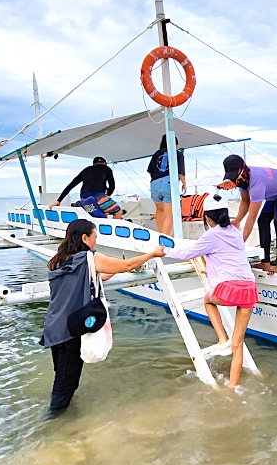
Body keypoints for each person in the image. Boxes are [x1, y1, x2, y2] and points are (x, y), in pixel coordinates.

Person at [43, 218, 164, 411]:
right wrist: (152, 254)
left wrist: (113, 269)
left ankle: (60, 414)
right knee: (65, 386)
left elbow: (101, 274)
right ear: (84, 237)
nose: (96, 241)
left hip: (53, 327)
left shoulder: (59, 260)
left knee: (62, 376)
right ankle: (55, 428)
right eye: (94, 237)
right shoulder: (88, 258)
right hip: (72, 330)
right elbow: (126, 265)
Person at [163, 193, 258, 389]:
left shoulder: (210, 235)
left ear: (207, 217)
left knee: (208, 300)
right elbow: (228, 257)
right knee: (238, 344)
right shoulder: (234, 231)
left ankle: (221, 338)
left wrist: (163, 250)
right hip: (249, 289)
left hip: (229, 289)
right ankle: (233, 387)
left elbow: (185, 254)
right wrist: (210, 268)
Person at [219, 155, 277, 274]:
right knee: (262, 221)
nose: (234, 180)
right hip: (275, 193)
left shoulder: (257, 182)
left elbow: (252, 216)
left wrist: (239, 243)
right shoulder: (243, 180)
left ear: (242, 170)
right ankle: (265, 262)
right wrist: (237, 220)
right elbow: (245, 202)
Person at [52, 157, 122, 218]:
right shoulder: (106, 169)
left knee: (98, 213)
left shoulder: (86, 170)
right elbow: (112, 186)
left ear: (94, 164)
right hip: (98, 197)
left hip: (85, 199)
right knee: (118, 212)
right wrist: (107, 196)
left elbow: (71, 185)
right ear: (104, 163)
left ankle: (80, 204)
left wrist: (59, 200)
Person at [147, 134, 187, 235]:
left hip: (155, 183)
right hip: (168, 182)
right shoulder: (177, 154)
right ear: (176, 144)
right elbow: (180, 172)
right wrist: (184, 184)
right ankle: (165, 239)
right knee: (170, 214)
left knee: (160, 210)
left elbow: (149, 171)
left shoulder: (157, 153)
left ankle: (160, 236)